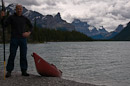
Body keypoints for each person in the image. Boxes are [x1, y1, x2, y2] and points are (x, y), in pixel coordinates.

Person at [0, 4, 33, 77]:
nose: (19, 10)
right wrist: (2, 17)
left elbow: (31, 26)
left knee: (23, 55)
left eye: (20, 9)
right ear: (15, 9)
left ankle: (24, 71)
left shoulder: (25, 18)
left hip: (23, 39)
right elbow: (4, 25)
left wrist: (28, 33)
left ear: (22, 10)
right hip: (14, 39)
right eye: (17, 9)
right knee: (12, 55)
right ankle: (9, 71)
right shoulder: (11, 17)